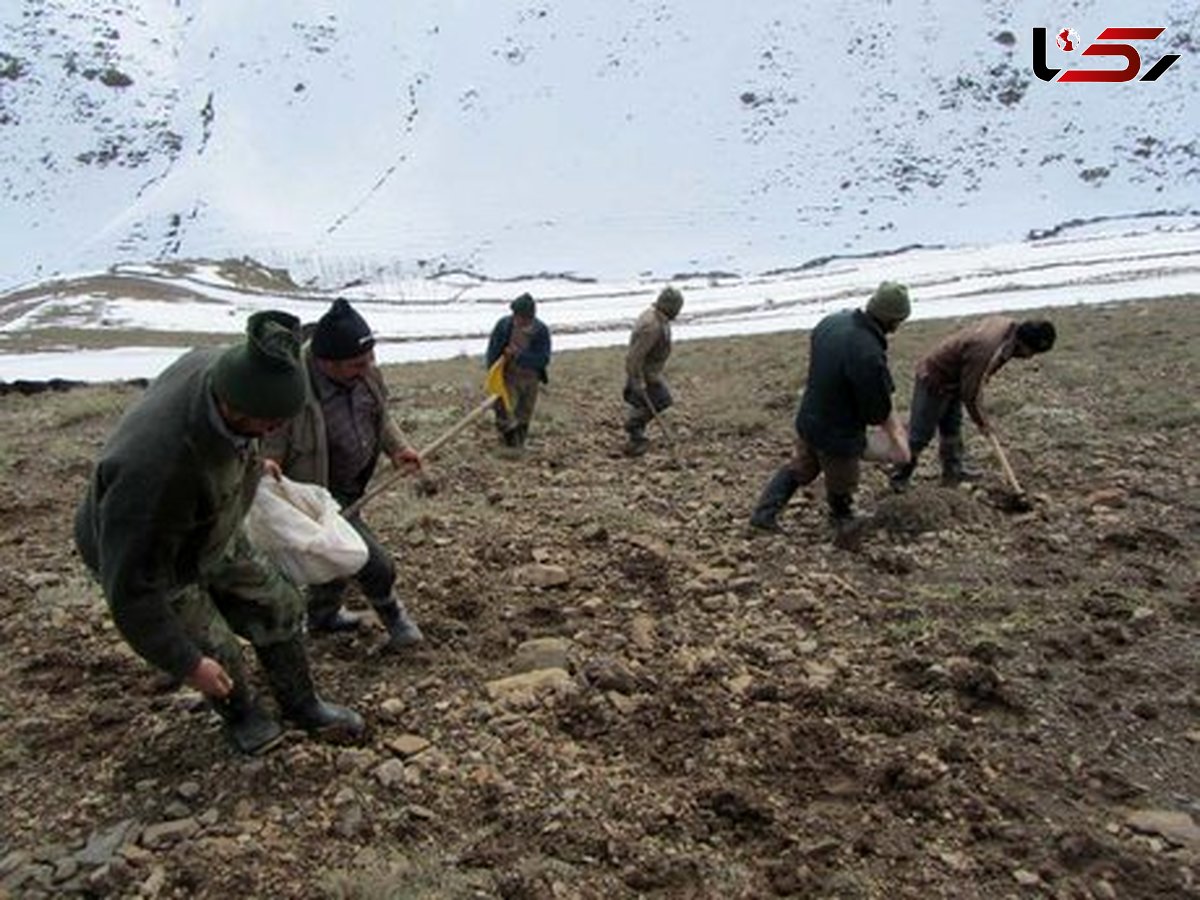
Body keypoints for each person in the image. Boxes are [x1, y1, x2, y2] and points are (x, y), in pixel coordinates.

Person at [74, 311, 364, 756]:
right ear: (233, 408)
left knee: (280, 603)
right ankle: (243, 715)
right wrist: (186, 664)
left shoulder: (227, 369)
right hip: (158, 559)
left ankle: (303, 704)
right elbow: (131, 589)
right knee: (216, 651)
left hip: (216, 522)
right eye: (268, 427)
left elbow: (242, 437)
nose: (274, 434)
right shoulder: (154, 471)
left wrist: (250, 458)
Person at [263, 299, 425, 651]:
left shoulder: (366, 371)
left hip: (352, 487)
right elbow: (269, 440)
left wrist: (398, 449)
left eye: (370, 360)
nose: (368, 368)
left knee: (334, 556)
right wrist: (269, 467)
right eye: (357, 364)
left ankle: (323, 615)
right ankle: (395, 618)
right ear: (326, 363)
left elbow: (380, 417)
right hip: (313, 495)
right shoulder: (291, 388)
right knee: (372, 561)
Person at [748, 281, 912, 547]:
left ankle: (763, 516)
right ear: (893, 320)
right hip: (837, 431)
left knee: (802, 465)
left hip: (810, 416)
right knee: (843, 479)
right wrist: (895, 439)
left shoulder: (833, 321)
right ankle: (842, 519)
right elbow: (875, 412)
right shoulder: (868, 352)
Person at [891, 316, 1056, 490]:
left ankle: (953, 472)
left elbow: (974, 381)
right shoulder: (987, 348)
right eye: (1032, 352)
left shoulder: (1011, 331)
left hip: (955, 379)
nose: (1029, 358)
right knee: (920, 435)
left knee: (952, 427)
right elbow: (971, 393)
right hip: (934, 379)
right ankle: (900, 477)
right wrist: (982, 423)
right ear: (1024, 343)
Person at [485, 293, 551, 449]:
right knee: (503, 410)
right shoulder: (503, 326)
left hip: (530, 378)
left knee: (524, 412)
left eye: (521, 317)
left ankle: (519, 444)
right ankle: (506, 444)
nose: (517, 320)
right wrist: (493, 373)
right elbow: (493, 352)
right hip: (507, 376)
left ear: (530, 317)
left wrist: (519, 355)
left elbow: (543, 359)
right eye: (515, 316)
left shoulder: (541, 331)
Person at [623, 286, 684, 456]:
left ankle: (636, 438)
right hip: (645, 375)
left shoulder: (657, 318)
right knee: (663, 400)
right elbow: (634, 357)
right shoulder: (652, 326)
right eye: (677, 308)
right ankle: (634, 427)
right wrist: (637, 381)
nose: (678, 313)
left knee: (645, 403)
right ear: (669, 306)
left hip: (650, 373)